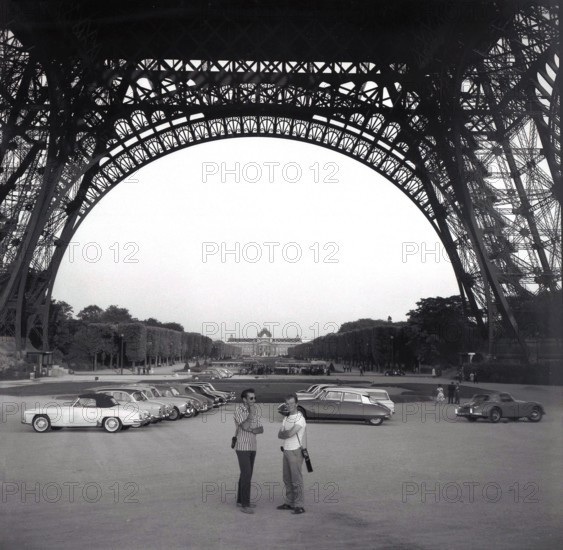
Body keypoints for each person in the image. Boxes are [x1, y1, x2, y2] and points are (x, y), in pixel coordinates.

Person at [234, 388, 263, 514]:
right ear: (244, 399)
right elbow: (245, 426)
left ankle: (240, 500)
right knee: (246, 474)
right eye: (251, 398)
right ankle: (245, 505)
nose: (254, 400)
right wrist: (251, 417)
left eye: (254, 398)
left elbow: (261, 429)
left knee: (246, 474)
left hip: (252, 446)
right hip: (242, 446)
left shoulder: (255, 410)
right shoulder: (239, 410)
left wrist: (251, 429)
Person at [277, 394, 307, 515]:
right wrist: (286, 433)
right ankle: (289, 502)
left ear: (296, 404)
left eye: (291, 404)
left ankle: (299, 505)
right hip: (286, 450)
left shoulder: (300, 418)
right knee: (287, 479)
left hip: (295, 451)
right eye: (287, 404)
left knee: (296, 480)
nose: (288, 406)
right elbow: (280, 435)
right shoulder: (286, 418)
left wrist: (286, 433)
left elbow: (288, 434)